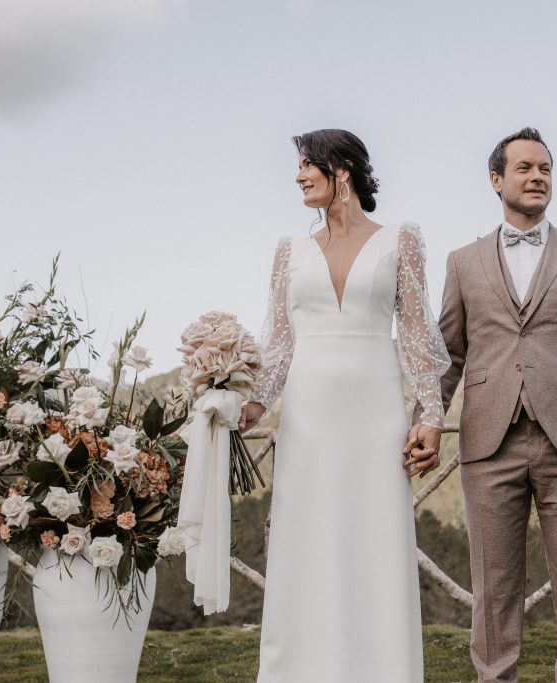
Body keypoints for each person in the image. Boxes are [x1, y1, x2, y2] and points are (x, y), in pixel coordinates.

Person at [409, 127, 557, 683]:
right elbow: (449, 355)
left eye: (545, 168)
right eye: (524, 168)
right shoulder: (463, 262)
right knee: (494, 587)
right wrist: (428, 419)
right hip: (489, 440)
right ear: (496, 180)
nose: (537, 177)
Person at [240, 128, 449, 682]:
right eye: (300, 165)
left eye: (309, 164)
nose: (299, 174)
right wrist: (253, 406)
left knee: (374, 542)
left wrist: (431, 416)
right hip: (309, 414)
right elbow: (280, 343)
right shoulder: (289, 251)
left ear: (344, 170)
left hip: (377, 410)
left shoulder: (401, 239)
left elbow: (418, 336)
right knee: (305, 542)